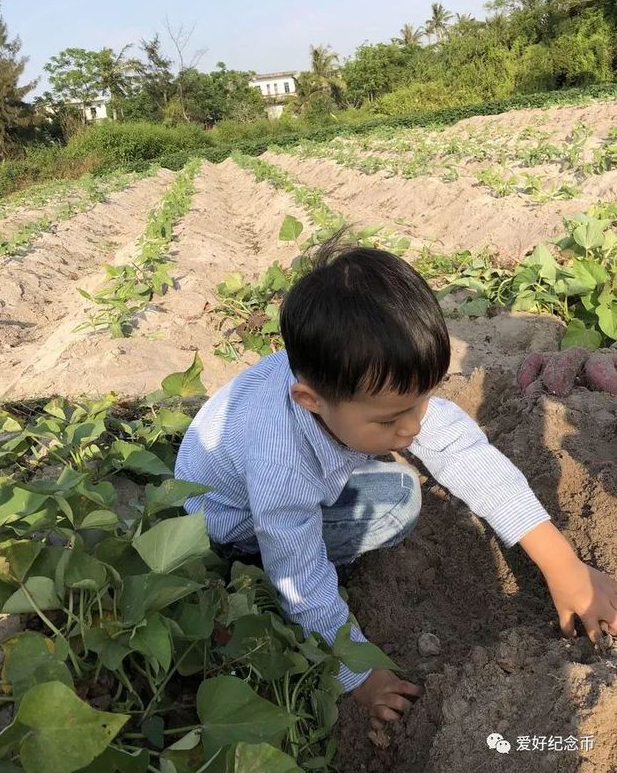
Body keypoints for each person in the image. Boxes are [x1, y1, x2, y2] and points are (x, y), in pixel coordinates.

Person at [174, 230, 617, 727]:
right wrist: (357, 673)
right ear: (310, 400)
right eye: (389, 420)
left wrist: (562, 563)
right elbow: (297, 572)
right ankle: (249, 565)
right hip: (226, 522)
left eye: (423, 400)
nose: (413, 427)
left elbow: (461, 449)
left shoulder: (351, 376)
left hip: (250, 460)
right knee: (397, 502)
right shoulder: (281, 463)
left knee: (405, 457)